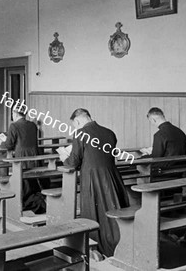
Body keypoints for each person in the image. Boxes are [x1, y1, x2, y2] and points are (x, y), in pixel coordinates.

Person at [60, 108, 130, 259]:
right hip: (112, 176)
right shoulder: (109, 132)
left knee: (94, 212)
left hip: (93, 178)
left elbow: (73, 162)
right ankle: (121, 242)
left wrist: (63, 158)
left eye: (74, 125)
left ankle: (96, 245)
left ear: (77, 121)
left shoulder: (80, 133)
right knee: (113, 207)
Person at [0, 108, 48, 214]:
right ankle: (36, 202)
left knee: (24, 182)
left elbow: (9, 145)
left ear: (15, 114)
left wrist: (1, 142)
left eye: (12, 113)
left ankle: (28, 202)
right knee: (31, 182)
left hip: (21, 157)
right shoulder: (32, 125)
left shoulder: (14, 125)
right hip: (34, 156)